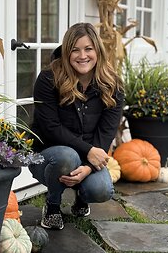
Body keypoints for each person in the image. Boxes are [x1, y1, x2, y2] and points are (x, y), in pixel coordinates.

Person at [29, 23, 124, 230]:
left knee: (102, 190)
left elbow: (106, 132)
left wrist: (89, 167)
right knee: (67, 157)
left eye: (88, 49)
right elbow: (50, 128)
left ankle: (82, 198)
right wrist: (88, 151)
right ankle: (53, 205)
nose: (82, 56)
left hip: (88, 157)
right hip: (49, 155)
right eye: (75, 49)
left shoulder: (112, 85)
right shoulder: (48, 79)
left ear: (97, 50)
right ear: (66, 52)